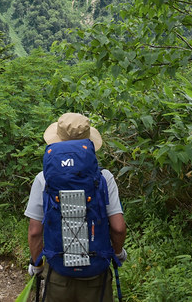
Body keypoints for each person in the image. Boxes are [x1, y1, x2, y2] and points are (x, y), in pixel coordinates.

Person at [25, 113, 127, 301]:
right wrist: (118, 253)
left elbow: (34, 231)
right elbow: (118, 227)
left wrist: (37, 265)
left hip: (58, 274)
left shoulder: (43, 179)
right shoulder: (104, 178)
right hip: (97, 275)